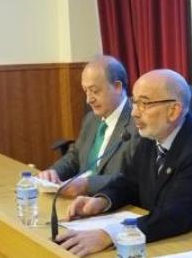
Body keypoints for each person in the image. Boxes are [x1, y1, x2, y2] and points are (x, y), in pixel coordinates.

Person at [55, 69, 192, 257]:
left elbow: (176, 215)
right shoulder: (151, 138)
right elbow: (129, 182)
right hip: (166, 241)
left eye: (144, 104)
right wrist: (101, 201)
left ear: (173, 110)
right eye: (134, 102)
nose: (135, 113)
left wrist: (108, 235)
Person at [39, 55, 138, 197]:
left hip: (112, 202)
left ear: (117, 87)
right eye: (86, 91)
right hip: (79, 199)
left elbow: (133, 177)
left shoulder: (138, 122)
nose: (89, 99)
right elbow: (75, 156)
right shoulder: (91, 119)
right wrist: (54, 172)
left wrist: (88, 184)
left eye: (95, 91)